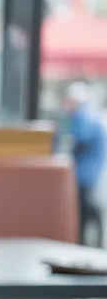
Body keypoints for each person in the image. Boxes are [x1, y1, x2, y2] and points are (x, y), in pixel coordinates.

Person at [62, 82, 105, 246]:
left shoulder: (83, 116)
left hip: (85, 173)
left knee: (84, 210)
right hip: (88, 172)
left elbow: (80, 140)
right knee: (84, 211)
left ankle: (85, 245)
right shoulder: (88, 115)